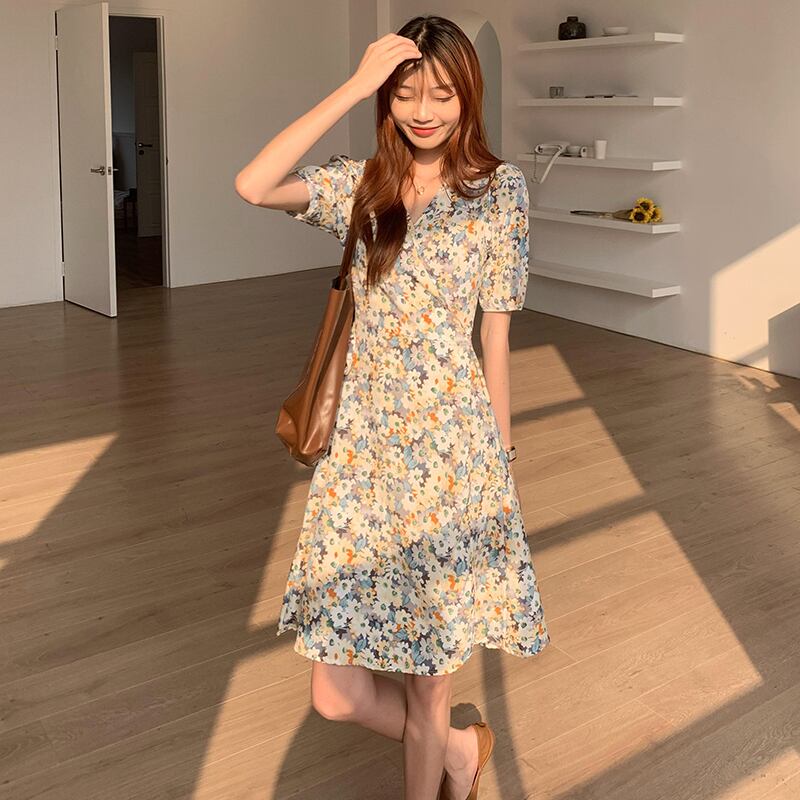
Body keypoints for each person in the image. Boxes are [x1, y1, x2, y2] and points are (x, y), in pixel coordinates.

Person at [235, 15, 549, 800]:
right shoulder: (364, 185)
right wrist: (353, 84)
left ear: (468, 94)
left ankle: (441, 759)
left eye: (442, 93)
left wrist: (501, 462)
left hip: (450, 459)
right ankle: (460, 752)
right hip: (362, 459)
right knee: (333, 692)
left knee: (428, 679)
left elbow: (496, 335)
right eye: (404, 93)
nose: (424, 111)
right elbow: (254, 184)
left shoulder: (499, 191)